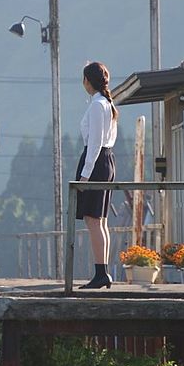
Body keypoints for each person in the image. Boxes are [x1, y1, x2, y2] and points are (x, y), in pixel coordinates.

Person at [76, 61, 118, 289]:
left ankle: (100, 273)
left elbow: (93, 143)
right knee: (100, 220)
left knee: (93, 219)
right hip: (107, 161)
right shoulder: (108, 104)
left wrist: (84, 175)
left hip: (96, 162)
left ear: (87, 80)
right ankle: (103, 271)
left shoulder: (96, 105)